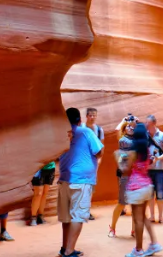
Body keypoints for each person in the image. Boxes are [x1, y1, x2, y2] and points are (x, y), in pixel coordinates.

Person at [58, 107, 104, 257]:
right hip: (82, 181)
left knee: (66, 216)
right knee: (78, 215)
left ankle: (64, 247)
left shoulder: (62, 135)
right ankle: (70, 251)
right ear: (80, 120)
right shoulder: (86, 132)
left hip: (64, 179)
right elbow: (99, 152)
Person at [119, 123, 163, 257]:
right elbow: (149, 163)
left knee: (137, 220)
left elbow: (125, 171)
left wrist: (121, 162)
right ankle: (154, 243)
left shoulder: (133, 152)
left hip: (135, 188)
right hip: (146, 186)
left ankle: (138, 250)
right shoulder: (146, 151)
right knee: (143, 218)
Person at [109, 114, 137, 238]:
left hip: (136, 174)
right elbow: (118, 131)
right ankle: (112, 228)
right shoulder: (123, 140)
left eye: (133, 127)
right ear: (125, 128)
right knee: (122, 203)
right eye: (128, 127)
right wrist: (123, 120)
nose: (131, 128)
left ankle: (134, 230)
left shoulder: (138, 138)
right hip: (126, 174)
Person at [145, 115, 163, 223]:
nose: (146, 125)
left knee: (160, 193)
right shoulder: (144, 136)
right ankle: (152, 216)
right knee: (150, 193)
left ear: (154, 123)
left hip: (159, 168)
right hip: (148, 169)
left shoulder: (162, 135)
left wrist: (158, 158)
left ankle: (160, 216)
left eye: (148, 123)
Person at [83, 107, 104, 220]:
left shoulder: (99, 130)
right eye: (90, 115)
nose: (92, 117)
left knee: (90, 187)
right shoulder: (81, 128)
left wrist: (98, 162)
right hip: (80, 162)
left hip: (92, 163)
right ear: (86, 116)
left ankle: (87, 210)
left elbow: (101, 148)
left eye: (94, 115)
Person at [29, 160, 57, 225]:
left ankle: (40, 216)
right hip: (38, 169)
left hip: (51, 168)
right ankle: (33, 217)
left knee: (45, 193)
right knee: (38, 194)